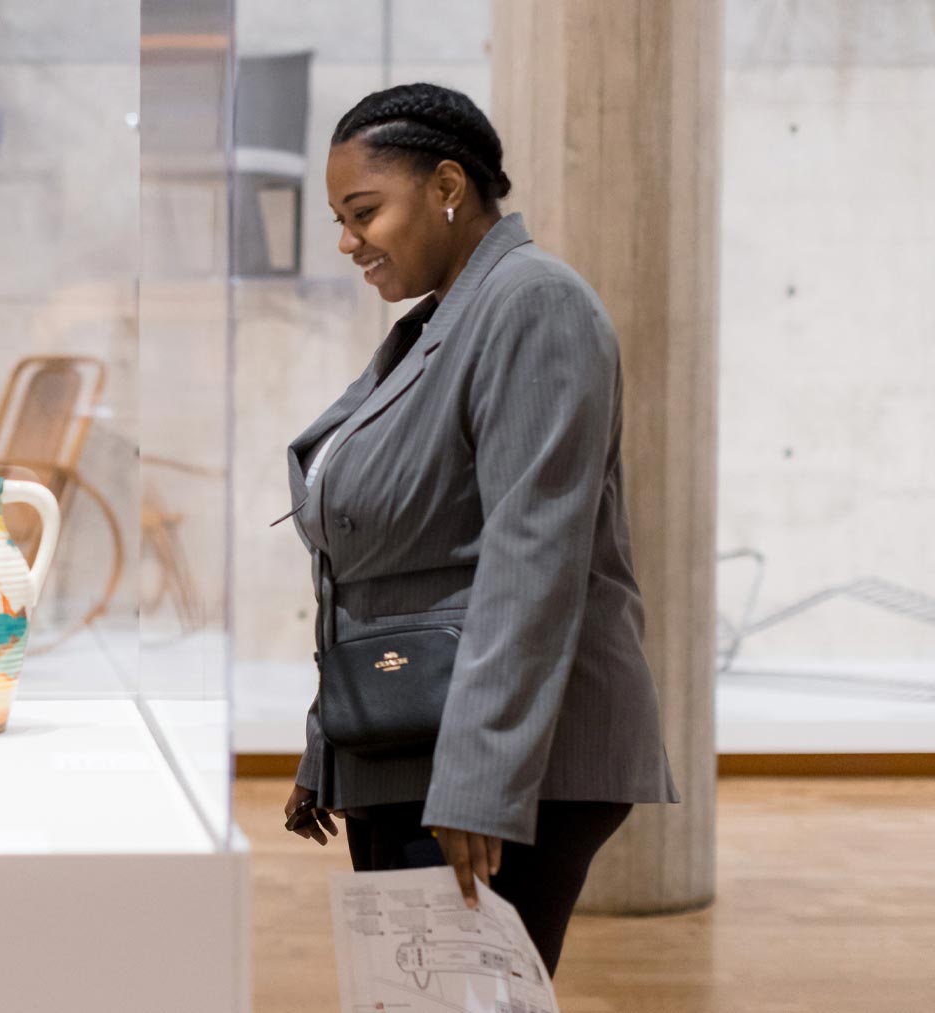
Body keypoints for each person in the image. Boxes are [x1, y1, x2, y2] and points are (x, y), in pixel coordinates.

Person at [280, 83, 678, 977]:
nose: (348, 243)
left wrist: (480, 781)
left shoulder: (532, 303)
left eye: (364, 212)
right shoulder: (444, 320)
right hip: (412, 743)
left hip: (488, 763)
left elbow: (532, 559)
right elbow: (377, 565)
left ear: (448, 184)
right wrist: (331, 742)